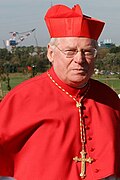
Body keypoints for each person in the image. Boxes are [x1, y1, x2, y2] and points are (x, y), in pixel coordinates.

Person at [0, 4, 120, 180]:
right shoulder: (21, 98)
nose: (79, 60)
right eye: (70, 51)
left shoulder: (109, 98)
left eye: (87, 52)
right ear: (50, 53)